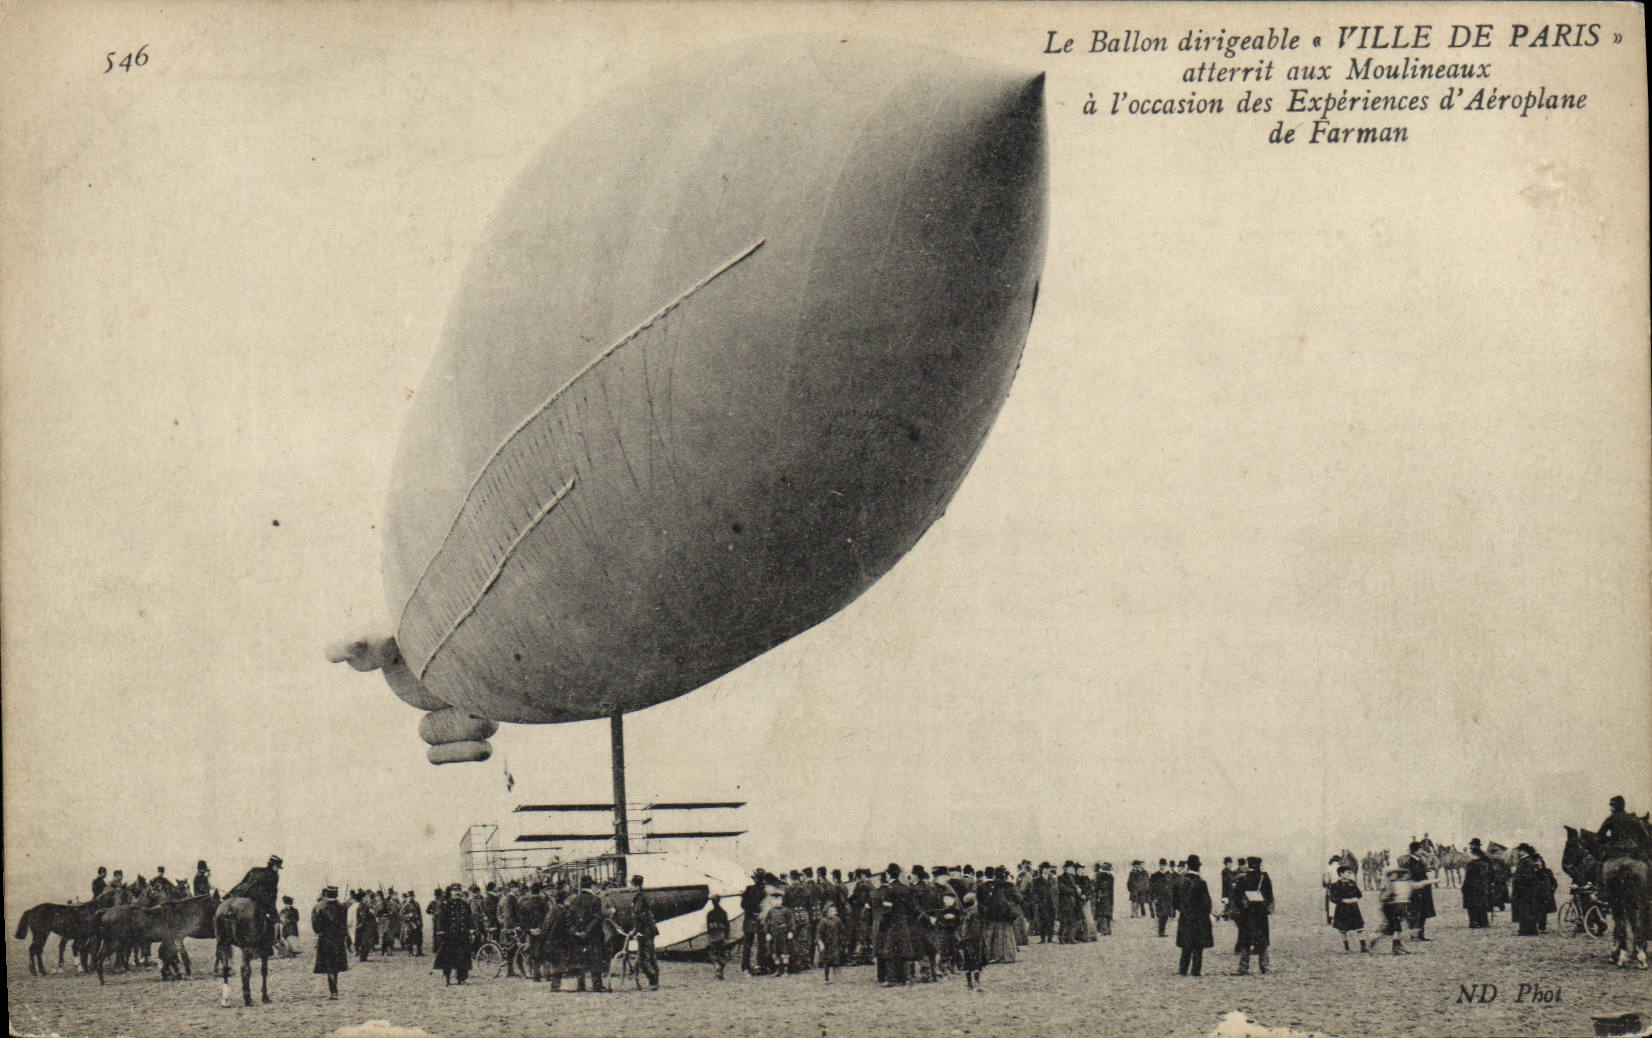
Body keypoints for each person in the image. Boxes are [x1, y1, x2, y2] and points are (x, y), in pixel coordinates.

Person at [1377, 865, 1435, 955]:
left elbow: (1419, 884)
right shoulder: (1393, 885)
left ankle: (1397, 947)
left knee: (1397, 929)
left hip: (1399, 907)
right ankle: (1378, 943)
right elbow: (1384, 897)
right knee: (1391, 929)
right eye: (1405, 875)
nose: (1408, 876)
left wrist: (1432, 881)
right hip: (1394, 908)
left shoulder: (1405, 884)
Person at [1231, 856, 1274, 975]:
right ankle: (1265, 967)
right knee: (1262, 940)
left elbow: (1236, 897)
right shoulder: (1264, 878)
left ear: (1248, 865)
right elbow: (1269, 896)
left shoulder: (1243, 878)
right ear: (1259, 865)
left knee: (1245, 941)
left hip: (1246, 914)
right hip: (1260, 914)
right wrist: (1263, 905)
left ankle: (1243, 967)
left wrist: (1242, 908)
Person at [566, 875, 608, 992]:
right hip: (593, 935)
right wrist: (586, 931)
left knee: (581, 957)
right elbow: (596, 918)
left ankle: (580, 985)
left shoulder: (574, 900)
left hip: (578, 936)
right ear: (592, 886)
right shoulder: (596, 900)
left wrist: (575, 932)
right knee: (595, 957)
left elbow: (568, 919)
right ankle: (597, 985)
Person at [1175, 855, 1214, 976]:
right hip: (1199, 918)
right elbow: (1206, 903)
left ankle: (1183, 970)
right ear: (1198, 867)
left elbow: (1174, 902)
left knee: (1186, 945)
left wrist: (1183, 909)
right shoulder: (1201, 882)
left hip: (1185, 916)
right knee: (1198, 946)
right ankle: (1195, 971)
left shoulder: (1179, 881)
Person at [312, 887, 349, 999]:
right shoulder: (342, 907)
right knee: (336, 965)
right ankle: (335, 989)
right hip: (338, 939)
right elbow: (344, 924)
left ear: (327, 894)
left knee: (329, 965)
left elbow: (316, 926)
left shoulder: (321, 907)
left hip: (326, 940)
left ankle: (333, 991)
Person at [434, 884, 473, 984]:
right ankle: (447, 977)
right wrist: (441, 933)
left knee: (463, 957)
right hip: (450, 936)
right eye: (455, 890)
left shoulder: (465, 905)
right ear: (450, 892)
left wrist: (472, 930)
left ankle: (462, 978)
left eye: (459, 890)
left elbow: (469, 919)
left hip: (463, 935)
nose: (457, 892)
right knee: (448, 957)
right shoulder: (445, 904)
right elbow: (441, 920)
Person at [626, 874, 660, 989]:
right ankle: (654, 981)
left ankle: (653, 981)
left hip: (645, 931)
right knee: (649, 956)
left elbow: (640, 917)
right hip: (646, 931)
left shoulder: (639, 899)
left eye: (631, 884)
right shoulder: (638, 898)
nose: (629, 887)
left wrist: (635, 930)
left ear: (636, 886)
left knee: (644, 958)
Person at [1399, 842, 1435, 940]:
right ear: (1415, 851)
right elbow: (1409, 877)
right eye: (1420, 849)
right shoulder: (1409, 862)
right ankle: (1414, 935)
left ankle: (1420, 935)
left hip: (1423, 891)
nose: (1422, 851)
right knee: (1415, 913)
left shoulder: (1419, 861)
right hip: (1416, 891)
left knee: (1423, 912)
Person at [1327, 864, 1366, 952]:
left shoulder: (1352, 883)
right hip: (1342, 909)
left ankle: (1363, 947)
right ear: (1341, 874)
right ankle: (1346, 948)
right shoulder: (1335, 885)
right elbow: (1333, 898)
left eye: (1350, 873)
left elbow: (1359, 894)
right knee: (1343, 929)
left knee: (1359, 927)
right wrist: (1343, 900)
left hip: (1353, 908)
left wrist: (1355, 898)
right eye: (1347, 872)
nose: (1349, 874)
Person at [1461, 838, 1494, 929]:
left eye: (1471, 845)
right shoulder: (1485, 860)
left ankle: (1474, 921)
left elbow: (1468, 877)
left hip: (1472, 887)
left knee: (1472, 904)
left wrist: (1464, 887)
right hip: (1483, 885)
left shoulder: (1471, 864)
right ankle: (1484, 922)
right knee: (1482, 903)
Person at [739, 870, 766, 974]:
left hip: (750, 918)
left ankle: (745, 966)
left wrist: (751, 911)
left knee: (748, 944)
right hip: (760, 919)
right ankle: (760, 965)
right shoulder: (765, 891)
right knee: (761, 943)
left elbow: (743, 904)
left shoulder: (749, 889)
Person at [705, 895, 731, 980]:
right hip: (721, 935)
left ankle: (717, 968)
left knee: (712, 953)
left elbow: (708, 927)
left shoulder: (710, 913)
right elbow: (727, 925)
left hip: (713, 935)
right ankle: (720, 972)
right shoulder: (723, 912)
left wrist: (709, 936)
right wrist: (727, 936)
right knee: (721, 954)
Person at [817, 902, 844, 983]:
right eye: (830, 911)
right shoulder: (823, 921)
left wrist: (842, 940)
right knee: (826, 961)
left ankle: (836, 977)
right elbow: (819, 934)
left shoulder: (837, 920)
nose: (833, 913)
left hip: (835, 943)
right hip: (826, 944)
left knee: (836, 960)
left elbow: (842, 931)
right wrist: (820, 943)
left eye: (834, 911)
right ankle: (826, 978)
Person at [1094, 863, 1115, 936]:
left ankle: (1106, 930)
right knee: (1104, 914)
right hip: (1104, 897)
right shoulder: (1104, 876)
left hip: (1106, 897)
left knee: (1105, 914)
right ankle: (1105, 930)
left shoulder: (1103, 876)